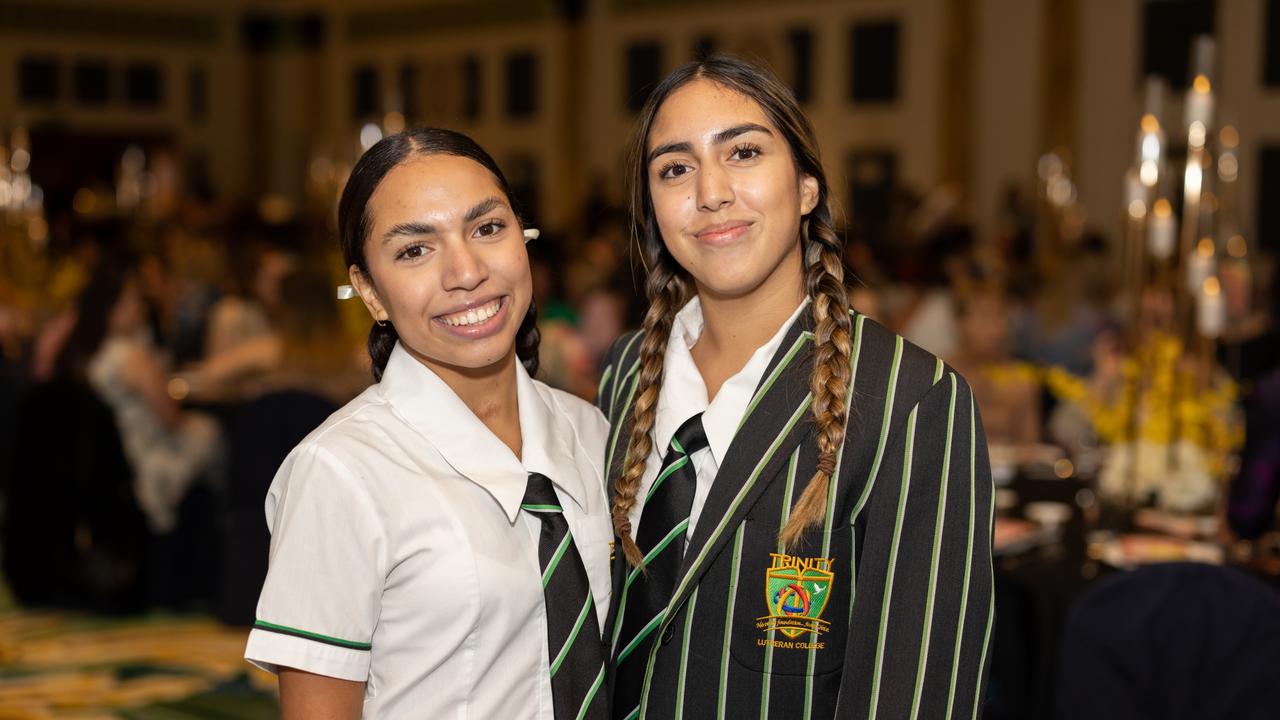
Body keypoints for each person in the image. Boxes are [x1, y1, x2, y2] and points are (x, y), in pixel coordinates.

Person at [595, 55, 994, 719]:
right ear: (652, 208)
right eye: (675, 168)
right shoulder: (625, 372)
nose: (711, 190)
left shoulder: (912, 401)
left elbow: (918, 695)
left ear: (807, 187)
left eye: (744, 152)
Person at [243, 128, 613, 719]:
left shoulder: (588, 433)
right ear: (370, 292)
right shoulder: (340, 472)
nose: (465, 271)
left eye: (487, 228)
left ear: (524, 238)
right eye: (415, 250)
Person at [56, 258, 220, 535]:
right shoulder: (130, 356)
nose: (140, 308)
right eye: (134, 300)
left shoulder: (82, 355)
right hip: (137, 468)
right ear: (112, 306)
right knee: (211, 433)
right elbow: (170, 418)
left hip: (97, 470)